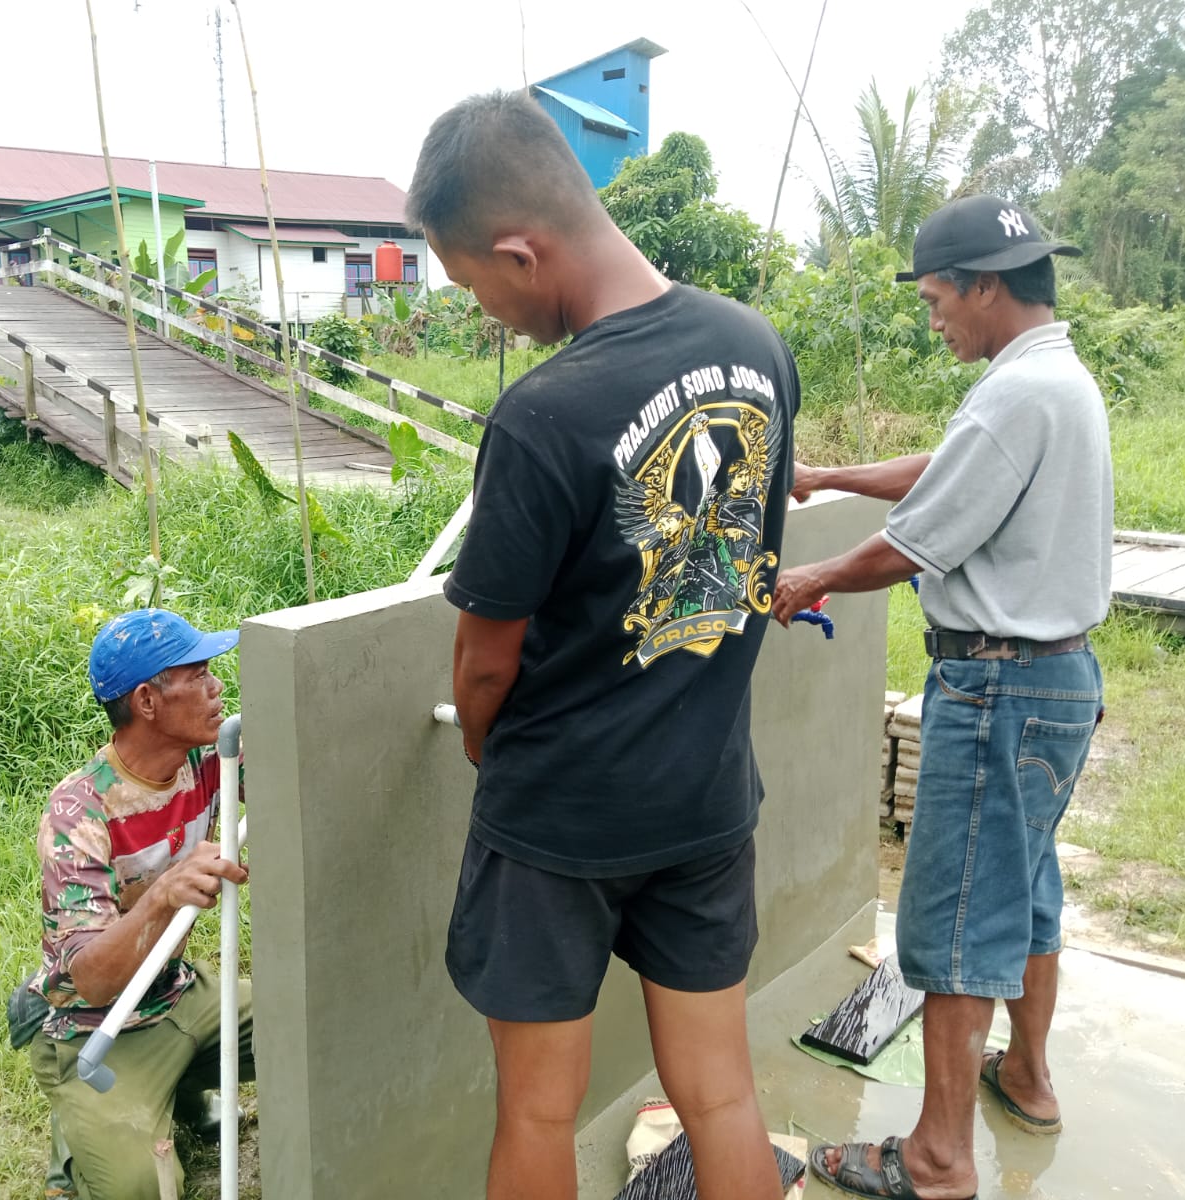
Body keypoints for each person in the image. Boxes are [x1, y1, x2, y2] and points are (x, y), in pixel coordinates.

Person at [407, 91, 799, 1200]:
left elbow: (484, 661)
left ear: (519, 250)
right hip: (707, 798)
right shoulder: (754, 345)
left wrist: (487, 747)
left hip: (560, 820)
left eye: (472, 283)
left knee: (538, 1110)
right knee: (720, 1093)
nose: (485, 311)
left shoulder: (546, 411)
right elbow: (745, 559)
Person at [772, 194, 1110, 1200]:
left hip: (998, 683)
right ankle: (1030, 1078)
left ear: (985, 286)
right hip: (1055, 679)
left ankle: (935, 1160)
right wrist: (825, 474)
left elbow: (914, 542)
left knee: (958, 918)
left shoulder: (1016, 394)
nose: (933, 320)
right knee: (1021, 892)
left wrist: (810, 578)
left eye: (935, 300)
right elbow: (948, 474)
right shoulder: (1051, 379)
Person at [19, 609, 252, 1200]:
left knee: (312, 1019)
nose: (217, 686)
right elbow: (93, 980)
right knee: (140, 1189)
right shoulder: (78, 813)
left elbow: (300, 768)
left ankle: (176, 1090)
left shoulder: (210, 763)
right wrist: (163, 895)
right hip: (97, 1030)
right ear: (147, 700)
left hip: (180, 992)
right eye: (197, 673)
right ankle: (78, 1138)